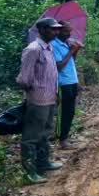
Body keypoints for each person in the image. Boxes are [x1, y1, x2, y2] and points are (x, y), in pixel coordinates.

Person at [16, 18, 64, 184]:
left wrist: (55, 93)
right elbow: (24, 79)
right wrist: (36, 91)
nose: (56, 32)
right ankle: (30, 173)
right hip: (37, 100)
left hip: (50, 98)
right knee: (31, 136)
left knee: (45, 133)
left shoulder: (48, 48)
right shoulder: (33, 49)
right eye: (53, 29)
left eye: (57, 29)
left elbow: (52, 74)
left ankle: (43, 163)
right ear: (42, 29)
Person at [52, 21, 81, 150]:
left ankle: (65, 137)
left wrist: (75, 51)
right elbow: (58, 66)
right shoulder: (53, 45)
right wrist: (71, 51)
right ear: (58, 31)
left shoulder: (65, 43)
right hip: (63, 82)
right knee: (63, 111)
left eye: (70, 31)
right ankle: (61, 139)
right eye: (65, 31)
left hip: (72, 81)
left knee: (70, 112)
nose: (68, 34)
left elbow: (71, 62)